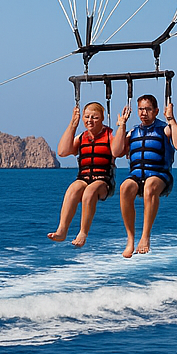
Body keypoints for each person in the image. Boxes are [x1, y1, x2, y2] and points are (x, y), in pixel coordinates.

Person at [117, 94, 177, 257]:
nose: (144, 113)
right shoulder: (133, 132)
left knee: (150, 186)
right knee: (124, 188)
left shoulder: (164, 129)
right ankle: (130, 239)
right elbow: (116, 151)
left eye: (148, 109)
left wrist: (171, 119)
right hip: (137, 176)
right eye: (141, 109)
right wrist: (121, 126)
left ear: (156, 111)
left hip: (160, 176)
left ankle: (145, 236)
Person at [48, 101, 123, 248]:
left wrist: (121, 127)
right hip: (83, 178)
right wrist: (73, 124)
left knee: (90, 192)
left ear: (102, 118)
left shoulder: (110, 136)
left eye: (94, 117)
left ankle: (83, 232)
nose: (90, 120)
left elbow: (118, 151)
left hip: (103, 182)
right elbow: (63, 152)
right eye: (87, 117)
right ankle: (62, 230)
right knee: (73, 189)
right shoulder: (81, 137)